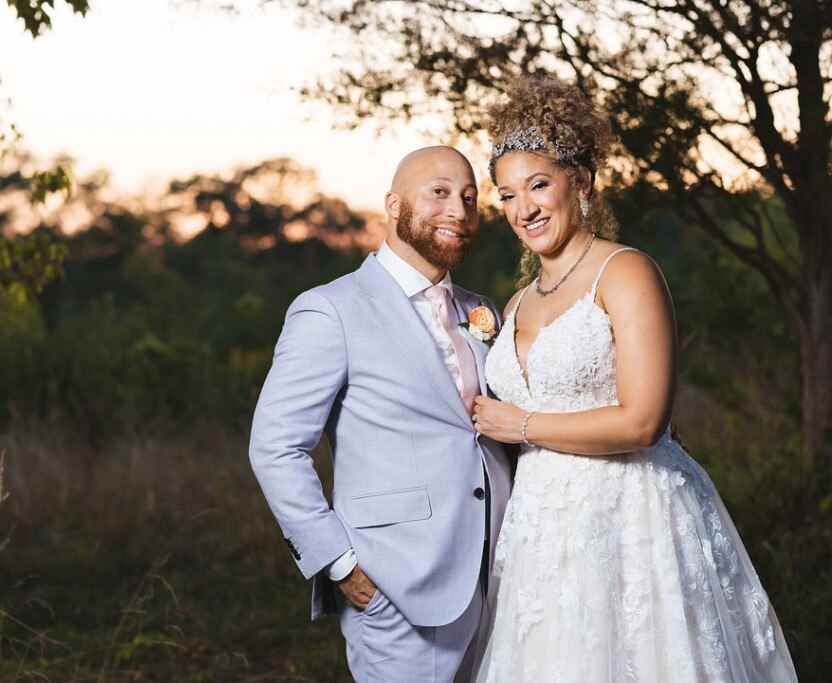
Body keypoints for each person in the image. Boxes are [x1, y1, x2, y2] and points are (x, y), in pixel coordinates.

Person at [471, 75, 798, 682]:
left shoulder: (626, 274)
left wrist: (521, 425)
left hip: (630, 514)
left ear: (582, 183)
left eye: (538, 185)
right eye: (507, 196)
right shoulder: (513, 304)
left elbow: (644, 422)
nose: (524, 209)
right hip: (542, 526)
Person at [249, 146, 512, 682]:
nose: (459, 211)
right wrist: (339, 563)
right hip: (396, 587)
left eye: (469, 198)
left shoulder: (482, 309)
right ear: (393, 205)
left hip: (500, 579)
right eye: (438, 192)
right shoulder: (331, 309)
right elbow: (275, 447)